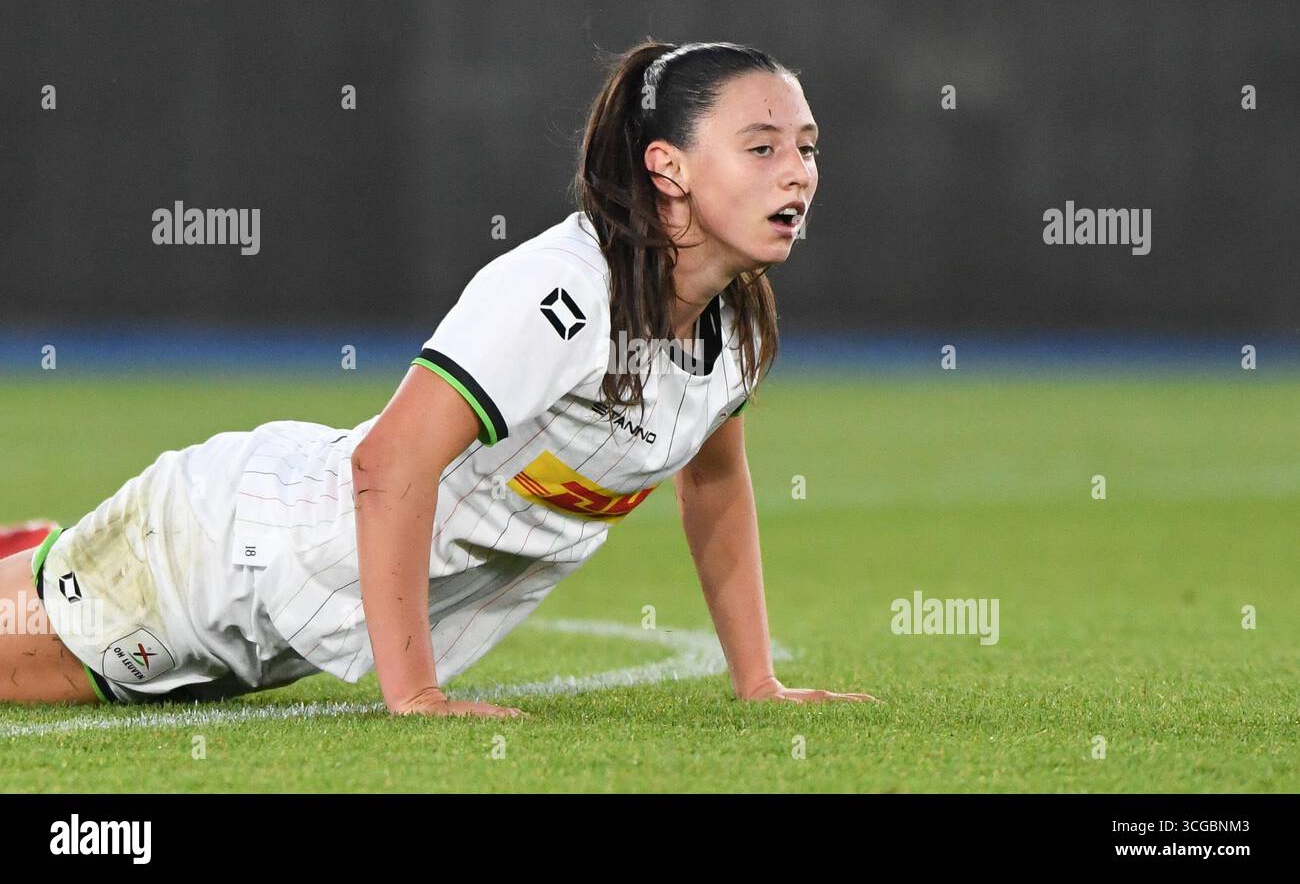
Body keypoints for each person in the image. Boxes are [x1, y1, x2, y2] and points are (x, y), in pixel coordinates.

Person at [0, 39, 877, 717]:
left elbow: (715, 485)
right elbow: (388, 464)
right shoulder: (566, 291)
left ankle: (31, 552)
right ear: (668, 167)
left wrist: (758, 681)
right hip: (222, 562)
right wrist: (415, 695)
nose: (797, 170)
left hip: (293, 622)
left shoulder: (736, 320)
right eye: (761, 147)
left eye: (806, 146)